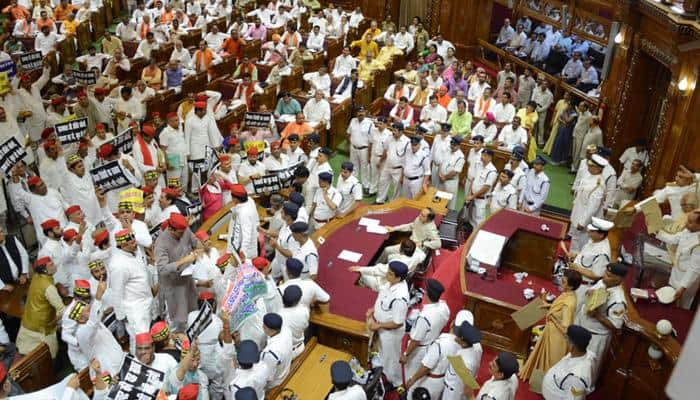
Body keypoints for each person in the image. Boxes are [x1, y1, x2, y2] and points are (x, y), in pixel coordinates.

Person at [520, 269, 582, 381]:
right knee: (543, 358)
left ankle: (543, 386)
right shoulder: (568, 294)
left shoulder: (569, 303)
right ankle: (536, 380)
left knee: (549, 361)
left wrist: (551, 316)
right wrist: (549, 306)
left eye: (563, 281)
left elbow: (565, 329)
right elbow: (559, 309)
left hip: (557, 337)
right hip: (551, 331)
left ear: (571, 286)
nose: (560, 283)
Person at [575, 262, 629, 387]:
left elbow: (615, 326)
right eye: (606, 273)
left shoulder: (618, 300)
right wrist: (589, 293)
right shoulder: (604, 282)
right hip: (583, 326)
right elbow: (592, 291)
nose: (605, 277)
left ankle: (585, 389)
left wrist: (597, 315)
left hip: (596, 336)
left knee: (588, 367)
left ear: (619, 279)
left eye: (610, 276)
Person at [366, 261, 409, 388]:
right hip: (382, 327)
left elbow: (397, 323)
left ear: (398, 278)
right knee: (382, 353)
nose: (386, 274)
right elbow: (382, 298)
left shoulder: (400, 297)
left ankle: (395, 382)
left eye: (390, 273)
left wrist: (379, 326)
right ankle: (383, 373)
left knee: (391, 358)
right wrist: (373, 309)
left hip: (390, 333)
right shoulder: (390, 282)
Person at [154, 213, 199, 332]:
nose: (183, 234)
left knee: (192, 314)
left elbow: (195, 242)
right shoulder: (161, 243)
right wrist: (184, 260)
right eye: (179, 233)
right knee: (176, 322)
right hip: (173, 286)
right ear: (170, 228)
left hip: (187, 279)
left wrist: (198, 250)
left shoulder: (184, 230)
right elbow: (162, 269)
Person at [16, 257, 65, 358]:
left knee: (25, 352)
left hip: (28, 322)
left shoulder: (36, 277)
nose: (54, 265)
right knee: (51, 356)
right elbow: (62, 310)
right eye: (51, 265)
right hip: (44, 328)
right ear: (44, 270)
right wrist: (54, 321)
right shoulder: (48, 287)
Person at [402, 279, 450, 380]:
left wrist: (406, 354)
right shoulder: (444, 307)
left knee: (410, 374)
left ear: (426, 294)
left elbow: (416, 340)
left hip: (418, 350)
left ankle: (407, 393)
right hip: (431, 342)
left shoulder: (424, 317)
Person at [655, 209, 700, 309]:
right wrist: (657, 231)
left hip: (686, 279)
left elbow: (694, 269)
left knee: (681, 305)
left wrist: (683, 287)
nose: (686, 223)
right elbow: (673, 239)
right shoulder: (687, 231)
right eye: (687, 220)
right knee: (670, 299)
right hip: (676, 271)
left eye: (690, 222)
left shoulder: (698, 243)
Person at [541, 325, 594, 400]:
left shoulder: (577, 377)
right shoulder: (581, 353)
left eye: (567, 338)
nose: (565, 340)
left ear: (572, 345)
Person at [568, 155, 607, 252]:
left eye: (591, 166)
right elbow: (580, 193)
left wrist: (583, 222)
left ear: (598, 169)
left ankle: (576, 262)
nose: (588, 167)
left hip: (585, 220)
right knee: (574, 239)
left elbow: (593, 207)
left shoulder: (599, 185)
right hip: (578, 212)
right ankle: (571, 258)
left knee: (581, 243)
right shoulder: (589, 176)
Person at [443, 315, 484, 400]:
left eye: (457, 335)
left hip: (452, 393)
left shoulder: (463, 362)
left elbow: (461, 387)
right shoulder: (476, 347)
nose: (455, 336)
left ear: (464, 342)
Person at [376, 123, 410, 204]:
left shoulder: (407, 142)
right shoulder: (389, 138)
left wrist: (403, 175)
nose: (393, 132)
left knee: (397, 189)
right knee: (382, 183)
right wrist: (380, 161)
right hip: (387, 166)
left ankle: (393, 204)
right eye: (392, 130)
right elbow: (385, 151)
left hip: (398, 169)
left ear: (401, 131)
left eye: (395, 131)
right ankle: (380, 201)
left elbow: (407, 159)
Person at [259, 313, 293, 389]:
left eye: (264, 326)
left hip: (275, 384)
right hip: (285, 370)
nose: (263, 327)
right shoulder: (287, 330)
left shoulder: (270, 353)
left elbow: (267, 377)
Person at [226, 184, 260, 261]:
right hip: (238, 248)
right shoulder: (250, 201)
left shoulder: (244, 213)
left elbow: (247, 235)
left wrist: (242, 253)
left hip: (244, 252)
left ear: (235, 199)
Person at [467, 148, 498, 227]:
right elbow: (473, 179)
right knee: (470, 219)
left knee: (478, 223)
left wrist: (473, 196)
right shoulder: (478, 164)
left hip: (481, 200)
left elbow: (486, 188)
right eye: (482, 155)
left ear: (490, 158)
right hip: (473, 197)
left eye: (485, 156)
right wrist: (470, 193)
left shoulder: (492, 171)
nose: (482, 157)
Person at [346, 106, 374, 190]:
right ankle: (354, 184)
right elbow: (349, 133)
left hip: (364, 149)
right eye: (358, 112)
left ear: (365, 112)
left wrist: (369, 155)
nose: (360, 113)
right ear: (356, 113)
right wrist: (348, 144)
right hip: (353, 148)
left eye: (362, 112)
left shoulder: (370, 123)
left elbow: (371, 141)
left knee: (365, 168)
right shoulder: (353, 120)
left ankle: (366, 186)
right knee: (353, 167)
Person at [439, 135, 466, 210]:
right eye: (451, 144)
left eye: (454, 145)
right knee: (439, 201)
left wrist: (444, 177)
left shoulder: (460, 157)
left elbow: (455, 172)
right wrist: (440, 173)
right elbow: (441, 162)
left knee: (449, 204)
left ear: (459, 145)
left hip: (450, 183)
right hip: (442, 179)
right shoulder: (448, 150)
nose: (452, 146)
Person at [0, 225, 29, 292]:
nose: (2, 234)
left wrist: (24, 273)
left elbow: (23, 254)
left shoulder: (12, 239)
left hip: (21, 278)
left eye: (1, 231)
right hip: (7, 285)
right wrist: (3, 286)